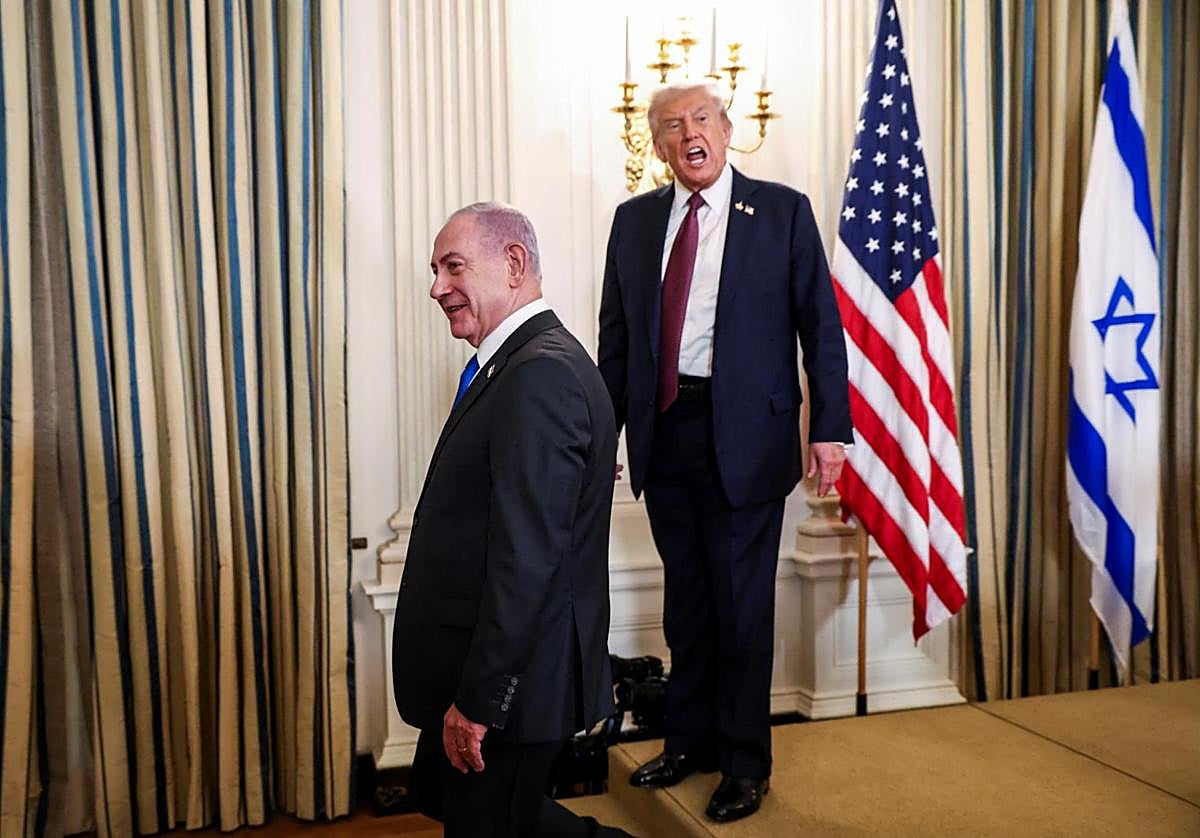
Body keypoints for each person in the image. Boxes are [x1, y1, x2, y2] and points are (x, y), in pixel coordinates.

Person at [597, 84, 852, 823]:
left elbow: (821, 327)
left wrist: (830, 428)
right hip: (665, 431)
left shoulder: (781, 212)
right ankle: (689, 741)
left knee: (741, 610)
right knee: (688, 605)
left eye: (702, 118)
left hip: (748, 436)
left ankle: (744, 764)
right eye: (673, 126)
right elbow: (617, 338)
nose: (690, 134)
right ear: (658, 145)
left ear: (727, 128)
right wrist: (605, 435)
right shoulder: (634, 222)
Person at [393, 203, 630, 838]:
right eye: (435, 270)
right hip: (486, 666)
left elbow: (527, 560)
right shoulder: (517, 365)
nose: (437, 287)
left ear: (514, 264)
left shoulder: (540, 374)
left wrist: (480, 702)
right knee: (481, 813)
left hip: (512, 684)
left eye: (453, 267)